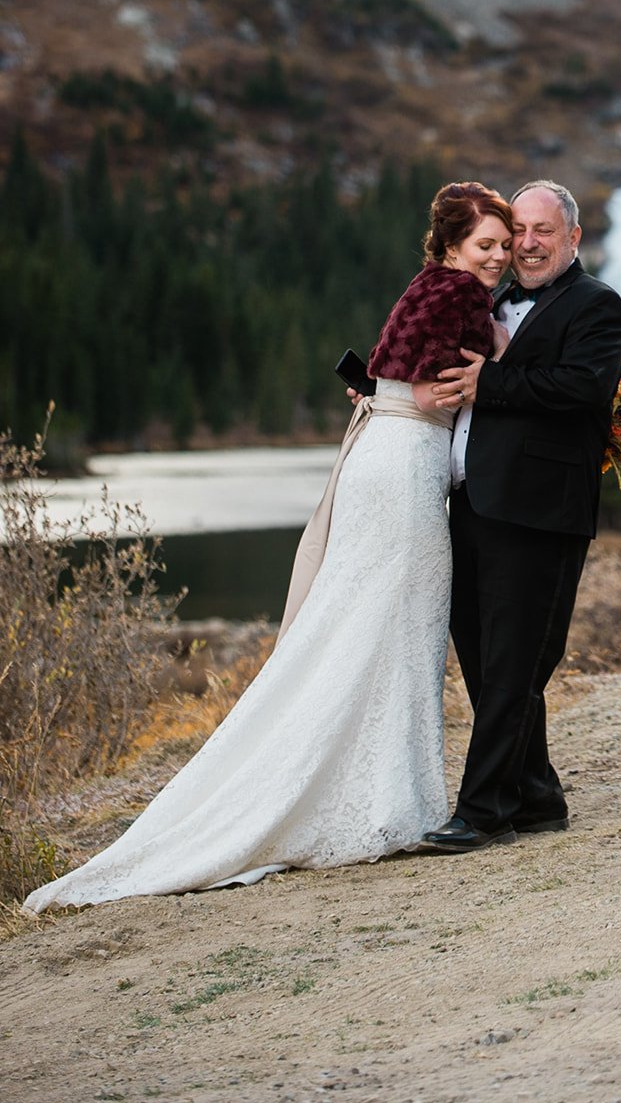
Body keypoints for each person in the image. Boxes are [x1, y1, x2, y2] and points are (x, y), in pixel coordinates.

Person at [23, 182, 513, 912]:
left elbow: (388, 378)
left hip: (374, 459)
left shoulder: (422, 287)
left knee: (357, 621)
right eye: (487, 245)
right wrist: (495, 376)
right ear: (450, 245)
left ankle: (368, 789)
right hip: (406, 462)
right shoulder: (465, 296)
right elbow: (426, 397)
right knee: (398, 626)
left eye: (505, 246)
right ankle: (385, 802)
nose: (499, 258)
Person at [417, 179, 621, 854]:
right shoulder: (491, 300)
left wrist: (493, 382)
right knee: (484, 662)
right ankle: (537, 798)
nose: (527, 245)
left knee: (514, 666)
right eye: (518, 233)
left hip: (539, 512)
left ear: (573, 238)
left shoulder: (596, 305)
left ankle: (482, 813)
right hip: (472, 504)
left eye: (542, 231)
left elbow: (582, 388)